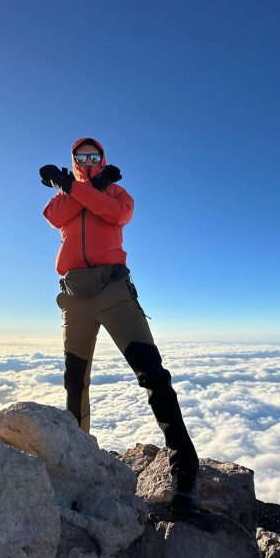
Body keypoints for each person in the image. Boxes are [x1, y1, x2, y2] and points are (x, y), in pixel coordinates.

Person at [40, 137, 201, 513]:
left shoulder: (117, 194)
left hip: (114, 290)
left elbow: (113, 214)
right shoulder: (63, 198)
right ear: (74, 159)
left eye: (94, 155)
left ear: (103, 158)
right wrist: (77, 188)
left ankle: (185, 469)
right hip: (75, 297)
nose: (88, 160)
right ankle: (77, 460)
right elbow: (54, 217)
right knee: (74, 382)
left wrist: (79, 186)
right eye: (81, 156)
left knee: (153, 375)